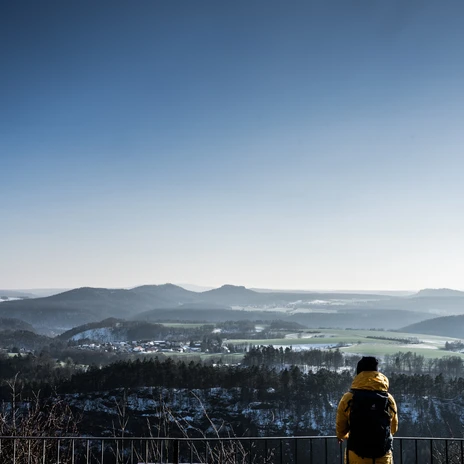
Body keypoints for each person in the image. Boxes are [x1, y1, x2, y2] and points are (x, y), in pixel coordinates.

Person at [336, 356, 398, 464]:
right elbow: (393, 427)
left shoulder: (349, 398)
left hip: (356, 454)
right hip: (382, 455)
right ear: (377, 373)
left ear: (359, 373)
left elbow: (341, 425)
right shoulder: (388, 398)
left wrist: (341, 436)